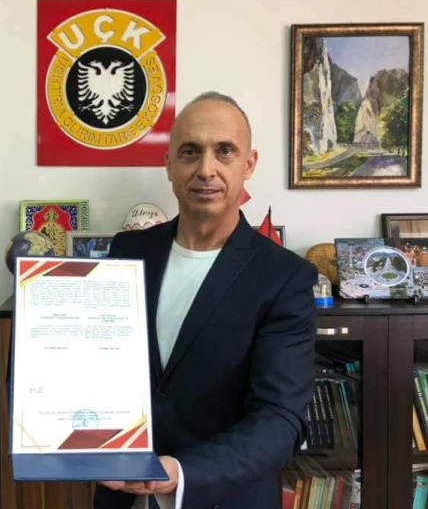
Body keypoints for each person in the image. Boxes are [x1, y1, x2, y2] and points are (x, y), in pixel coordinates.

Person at [94, 92, 318, 509]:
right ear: (169, 164)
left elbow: (280, 419)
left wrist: (181, 473)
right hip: (121, 496)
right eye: (190, 152)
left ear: (249, 164)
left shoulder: (284, 277)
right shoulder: (127, 251)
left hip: (222, 497)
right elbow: (95, 362)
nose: (206, 169)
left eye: (224, 151)